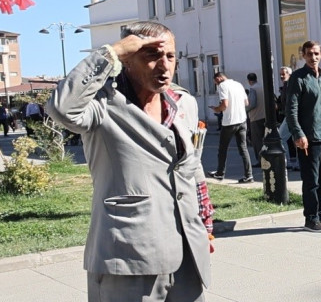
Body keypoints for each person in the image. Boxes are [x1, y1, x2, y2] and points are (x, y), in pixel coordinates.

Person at [45, 21, 212, 301]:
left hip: (186, 256)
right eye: (151, 56)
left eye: (170, 56)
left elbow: (191, 168)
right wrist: (111, 52)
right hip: (129, 258)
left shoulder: (179, 102)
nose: (164, 65)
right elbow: (61, 108)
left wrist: (205, 224)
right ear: (127, 60)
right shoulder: (102, 105)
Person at [286, 40, 321, 232]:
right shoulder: (298, 77)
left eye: (316, 54)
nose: (313, 57)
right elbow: (291, 109)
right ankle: (311, 218)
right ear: (303, 55)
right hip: (309, 138)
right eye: (309, 54)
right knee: (312, 180)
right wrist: (298, 134)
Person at [208, 72, 253, 183]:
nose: (217, 85)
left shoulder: (223, 86)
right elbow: (246, 102)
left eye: (216, 82)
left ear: (219, 78)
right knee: (243, 148)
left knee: (223, 149)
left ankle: (220, 173)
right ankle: (249, 175)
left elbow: (225, 105)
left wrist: (216, 109)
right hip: (242, 120)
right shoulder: (238, 84)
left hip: (229, 122)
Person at [276, 66, 299, 170]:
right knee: (295, 138)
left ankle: (288, 162)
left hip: (293, 115)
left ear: (289, 74)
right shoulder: (286, 85)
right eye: (280, 74)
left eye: (283, 74)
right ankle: (291, 162)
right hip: (289, 115)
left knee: (281, 138)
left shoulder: (292, 84)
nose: (281, 76)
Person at [246, 72, 266, 168]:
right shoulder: (262, 87)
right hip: (264, 115)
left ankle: (260, 160)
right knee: (265, 139)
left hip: (256, 117)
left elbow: (252, 104)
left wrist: (244, 109)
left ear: (249, 81)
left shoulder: (253, 89)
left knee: (257, 141)